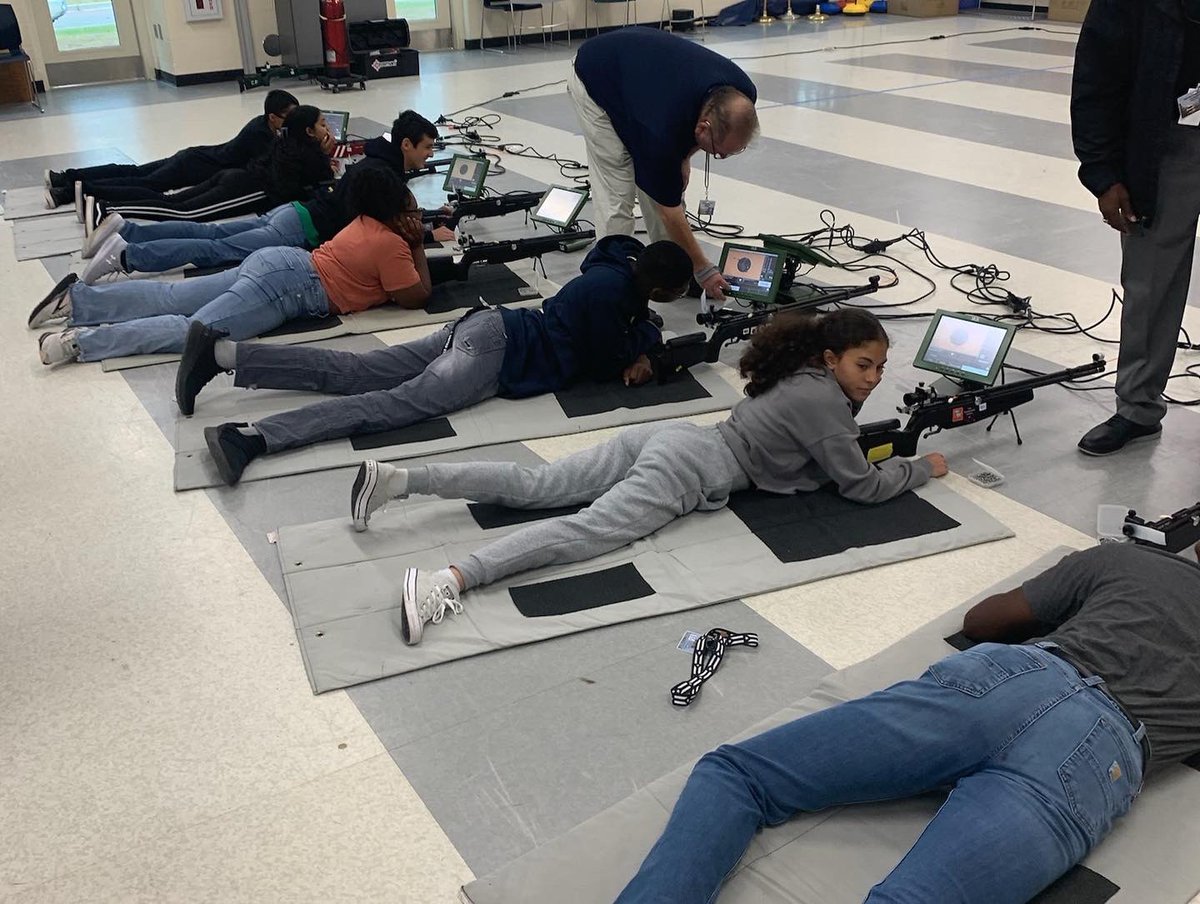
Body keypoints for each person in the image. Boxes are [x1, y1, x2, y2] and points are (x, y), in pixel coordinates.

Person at [614, 540, 1200, 903]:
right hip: (1103, 754)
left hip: (1007, 678)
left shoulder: (1127, 559)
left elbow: (985, 618)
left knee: (737, 776)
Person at [350, 308, 948, 646]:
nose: (872, 378)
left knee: (537, 486)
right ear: (830, 359)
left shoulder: (801, 378)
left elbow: (820, 454)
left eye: (879, 368)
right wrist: (921, 467)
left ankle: (400, 479)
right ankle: (448, 579)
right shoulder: (825, 403)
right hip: (696, 466)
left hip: (677, 437)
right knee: (584, 532)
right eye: (863, 365)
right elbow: (860, 485)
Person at [170, 235, 692, 486]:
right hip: (494, 355)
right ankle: (252, 437)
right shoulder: (612, 303)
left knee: (359, 372)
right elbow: (609, 363)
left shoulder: (614, 271)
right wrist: (645, 337)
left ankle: (221, 352)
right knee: (389, 406)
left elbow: (611, 246)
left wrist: (641, 313)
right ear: (661, 290)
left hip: (483, 324)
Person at [29, 168, 430, 367]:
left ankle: (78, 300)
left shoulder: (364, 223)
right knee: (194, 331)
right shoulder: (392, 243)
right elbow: (414, 296)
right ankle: (81, 342)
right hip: (289, 288)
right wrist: (417, 244)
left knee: (172, 296)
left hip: (280, 263)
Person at [77, 110, 452, 282]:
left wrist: (433, 217)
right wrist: (430, 233)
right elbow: (378, 223)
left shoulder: (377, 159)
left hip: (291, 214)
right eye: (426, 148)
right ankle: (128, 255)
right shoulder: (384, 175)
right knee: (214, 248)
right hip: (295, 230)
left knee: (213, 236)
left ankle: (130, 231)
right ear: (406, 144)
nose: (428, 156)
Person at [1072, 0, 1200, 456]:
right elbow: (1096, 73)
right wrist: (1103, 172)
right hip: (1166, 143)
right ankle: (1138, 408)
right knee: (1150, 281)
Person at [567, 28, 759, 300]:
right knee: (617, 193)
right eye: (718, 153)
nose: (721, 158)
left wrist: (684, 156)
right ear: (703, 128)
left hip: (643, 80)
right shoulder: (661, 132)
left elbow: (688, 138)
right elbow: (670, 211)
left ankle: (672, 272)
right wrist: (704, 269)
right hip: (597, 76)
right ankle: (612, 282)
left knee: (663, 186)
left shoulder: (743, 93)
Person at [75, 106, 335, 227]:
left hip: (234, 177)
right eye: (323, 124)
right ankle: (106, 208)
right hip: (247, 189)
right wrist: (324, 160)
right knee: (183, 213)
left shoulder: (287, 145)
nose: (328, 128)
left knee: (171, 202)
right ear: (309, 131)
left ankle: (97, 199)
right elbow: (300, 191)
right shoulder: (309, 157)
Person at [44, 89, 298, 210]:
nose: (293, 122)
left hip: (193, 158)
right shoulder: (261, 135)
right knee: (145, 183)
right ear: (273, 117)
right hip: (192, 166)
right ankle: (74, 190)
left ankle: (66, 178)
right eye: (289, 116)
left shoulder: (264, 126)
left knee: (134, 172)